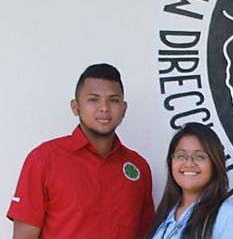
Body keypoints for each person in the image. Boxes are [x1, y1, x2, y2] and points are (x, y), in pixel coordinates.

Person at [6, 63, 155, 238]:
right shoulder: (44, 159)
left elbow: (146, 234)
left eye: (113, 100)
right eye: (93, 99)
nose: (104, 107)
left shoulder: (139, 167)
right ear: (75, 107)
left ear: (124, 109)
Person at [146, 122, 233, 239]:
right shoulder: (166, 213)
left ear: (215, 163)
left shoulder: (229, 216)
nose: (189, 163)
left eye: (199, 156)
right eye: (181, 156)